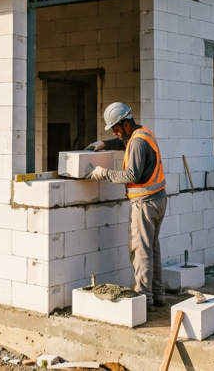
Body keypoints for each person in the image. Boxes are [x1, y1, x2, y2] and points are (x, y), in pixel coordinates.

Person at [84, 102, 167, 310]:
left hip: (145, 203)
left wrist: (104, 173)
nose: (115, 133)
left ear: (125, 125)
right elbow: (124, 143)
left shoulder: (137, 143)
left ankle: (144, 299)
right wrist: (103, 144)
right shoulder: (143, 133)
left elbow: (132, 175)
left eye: (116, 129)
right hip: (157, 199)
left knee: (141, 251)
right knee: (152, 248)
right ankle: (158, 295)